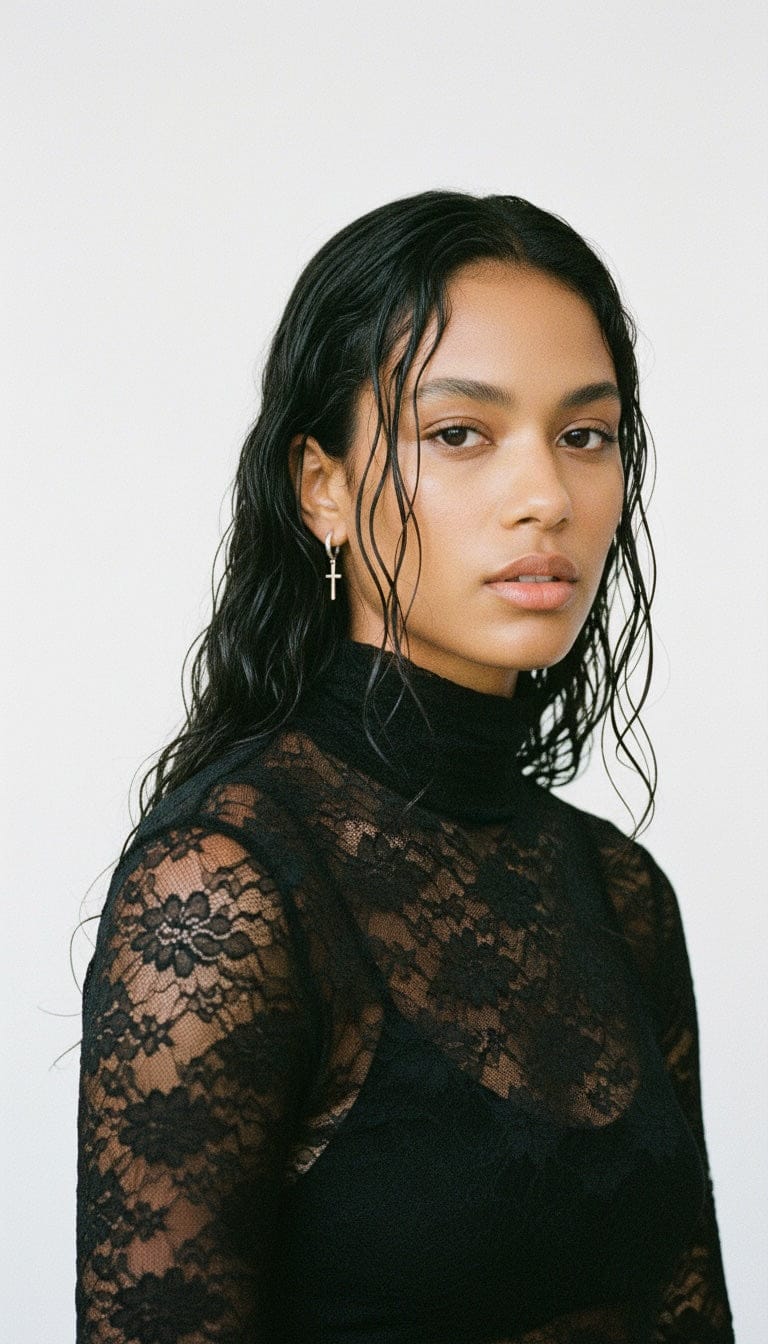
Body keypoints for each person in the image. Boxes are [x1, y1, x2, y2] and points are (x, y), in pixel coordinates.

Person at [75, 190, 735, 1343]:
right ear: (321, 486)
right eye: (460, 433)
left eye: (585, 434)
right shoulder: (225, 885)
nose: (546, 498)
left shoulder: (623, 893)